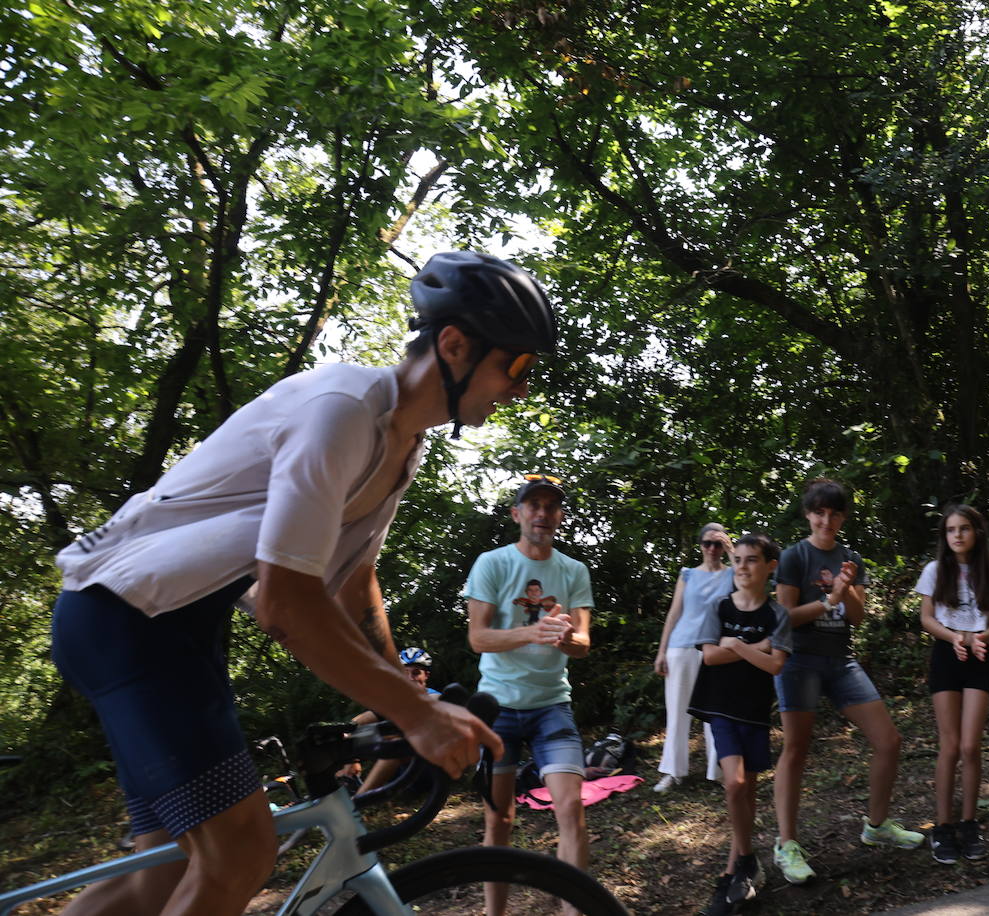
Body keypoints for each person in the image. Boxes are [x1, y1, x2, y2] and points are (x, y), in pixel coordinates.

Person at [48, 251, 553, 916]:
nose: (521, 389)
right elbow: (287, 604)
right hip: (131, 623)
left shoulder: (402, 442)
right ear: (455, 345)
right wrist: (417, 715)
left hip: (163, 625)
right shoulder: (344, 409)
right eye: (517, 365)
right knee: (239, 854)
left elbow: (353, 583)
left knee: (165, 871)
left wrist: (404, 696)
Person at [771, 477, 923, 886]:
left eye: (835, 513)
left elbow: (856, 618)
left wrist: (847, 588)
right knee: (796, 750)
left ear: (843, 517)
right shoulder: (794, 556)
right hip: (799, 661)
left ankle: (877, 826)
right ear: (808, 514)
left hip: (840, 661)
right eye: (820, 512)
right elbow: (784, 618)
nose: (827, 520)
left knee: (888, 740)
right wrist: (829, 599)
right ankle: (787, 845)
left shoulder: (851, 558)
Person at [463, 473, 594, 916]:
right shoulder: (492, 563)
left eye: (550, 506)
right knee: (498, 819)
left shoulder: (574, 571)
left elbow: (583, 644)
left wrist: (564, 638)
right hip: (497, 708)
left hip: (551, 705)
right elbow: (478, 638)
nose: (542, 513)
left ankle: (573, 910)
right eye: (533, 505)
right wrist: (532, 632)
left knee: (571, 807)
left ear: (560, 516)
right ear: (517, 514)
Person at [688, 533, 791, 915]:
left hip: (755, 710)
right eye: (738, 560)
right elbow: (710, 656)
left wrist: (736, 644)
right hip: (720, 707)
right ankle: (745, 861)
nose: (743, 567)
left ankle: (738, 871)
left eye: (752, 560)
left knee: (748, 792)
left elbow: (775, 664)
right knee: (734, 783)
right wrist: (755, 647)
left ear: (770, 567)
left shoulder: (777, 614)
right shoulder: (719, 607)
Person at [915, 504, 989, 865]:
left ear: (976, 532)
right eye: (951, 530)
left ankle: (969, 823)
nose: (957, 535)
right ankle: (942, 826)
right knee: (950, 746)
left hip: (979, 658)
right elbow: (926, 618)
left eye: (963, 528)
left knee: (971, 746)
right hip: (946, 656)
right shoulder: (935, 571)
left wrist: (982, 638)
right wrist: (954, 637)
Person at [652, 523, 733, 792]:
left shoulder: (733, 573)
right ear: (700, 545)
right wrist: (662, 651)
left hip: (715, 649)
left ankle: (718, 771)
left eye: (717, 543)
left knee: (716, 712)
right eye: (707, 543)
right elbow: (674, 613)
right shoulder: (687, 574)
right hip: (681, 647)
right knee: (677, 711)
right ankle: (673, 772)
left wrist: (732, 552)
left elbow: (750, 584)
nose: (712, 549)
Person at [336, 647, 441, 794]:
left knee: (395, 742)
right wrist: (350, 754)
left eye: (416, 672)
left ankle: (359, 799)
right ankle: (339, 790)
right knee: (342, 737)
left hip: (431, 772)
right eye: (405, 673)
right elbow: (356, 723)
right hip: (404, 774)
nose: (410, 678)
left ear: (426, 675)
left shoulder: (435, 697)